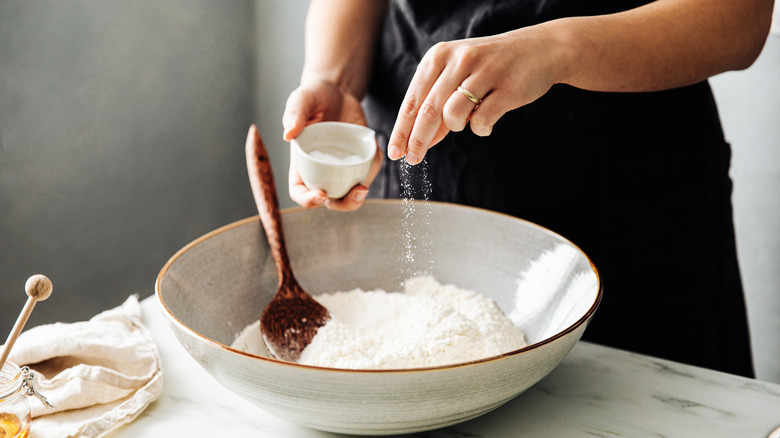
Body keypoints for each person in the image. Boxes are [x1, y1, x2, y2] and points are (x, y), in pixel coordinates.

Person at [281, 0, 774, 377]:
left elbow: (740, 19)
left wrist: (558, 48)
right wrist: (336, 81)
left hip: (632, 197)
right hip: (421, 156)